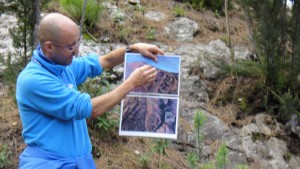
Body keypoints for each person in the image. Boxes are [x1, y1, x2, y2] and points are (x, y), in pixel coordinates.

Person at [16, 13, 164, 169]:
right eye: (71, 46)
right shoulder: (33, 81)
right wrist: (132, 83)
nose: (77, 51)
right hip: (49, 164)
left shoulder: (64, 66)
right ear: (49, 47)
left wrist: (132, 48)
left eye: (78, 42)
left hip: (78, 162)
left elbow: (104, 61)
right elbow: (91, 110)